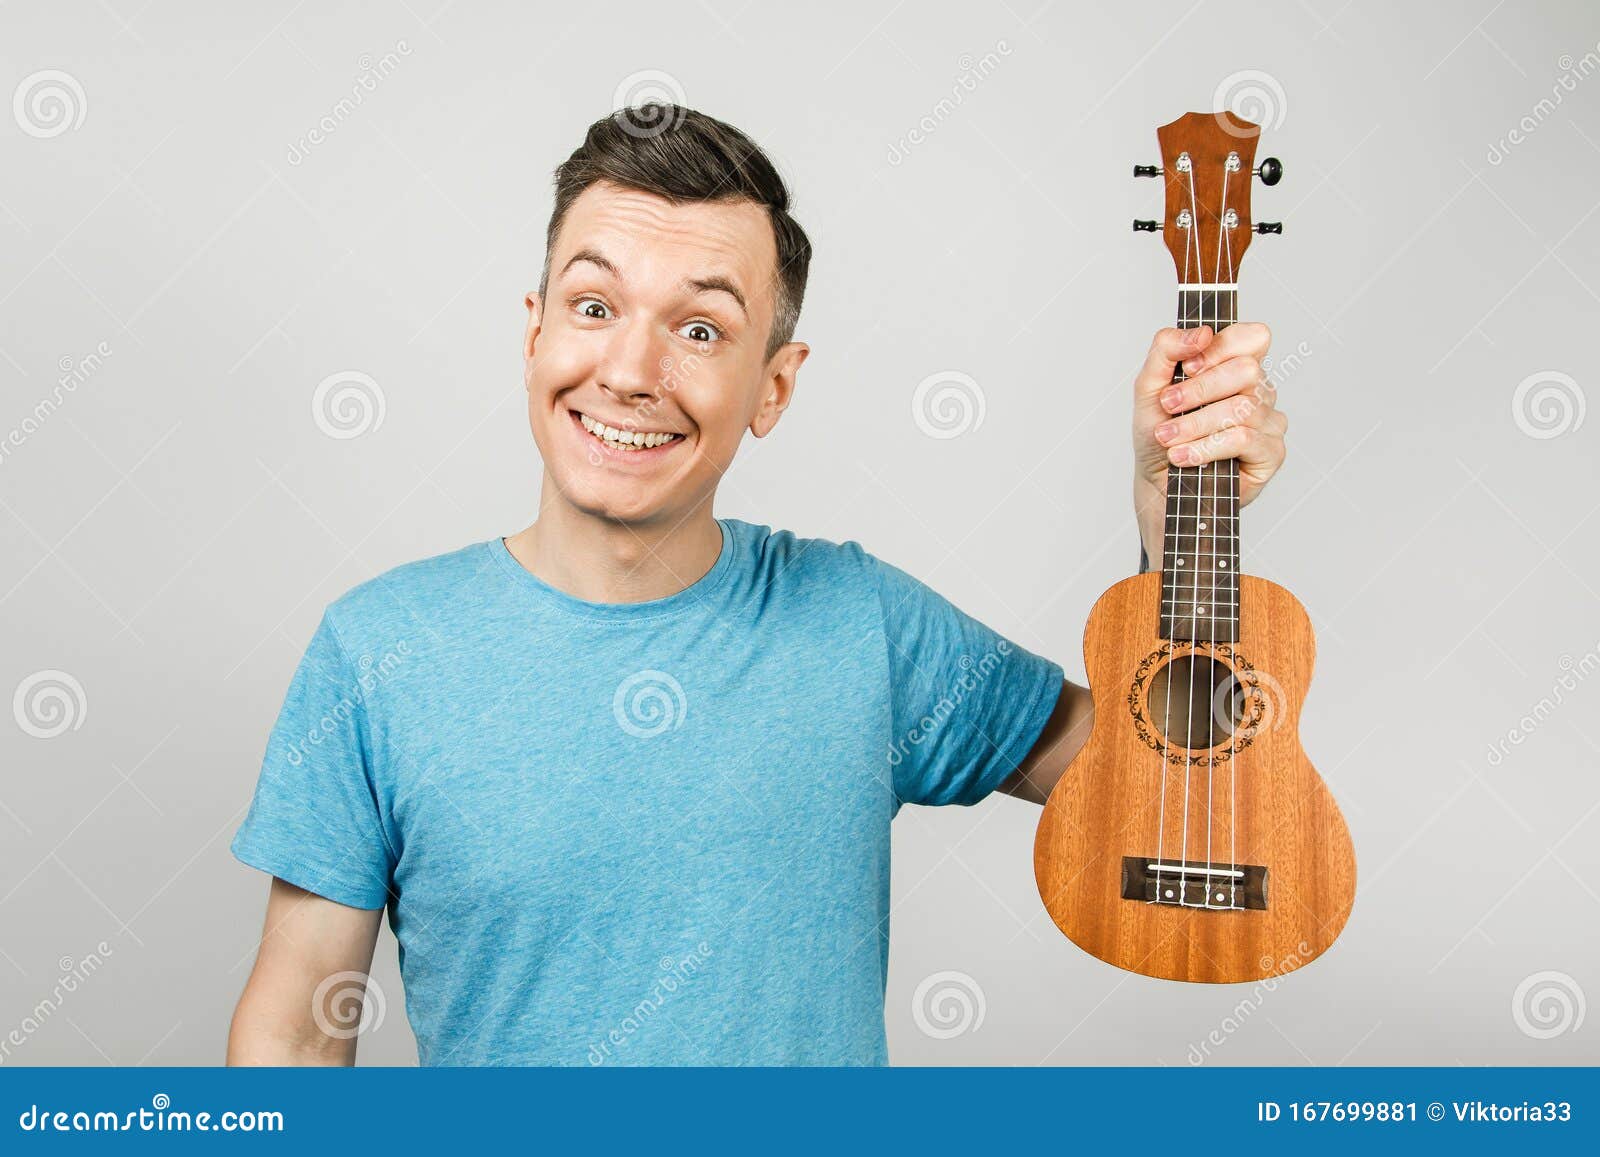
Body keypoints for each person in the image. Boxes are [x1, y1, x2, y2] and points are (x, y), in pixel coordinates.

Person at [224, 105, 1283, 1066]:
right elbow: (294, 1029)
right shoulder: (379, 652)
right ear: (534, 330)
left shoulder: (863, 624)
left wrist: (1172, 525)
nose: (632, 371)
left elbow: (1169, 795)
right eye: (594, 305)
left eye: (700, 330)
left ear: (773, 385)